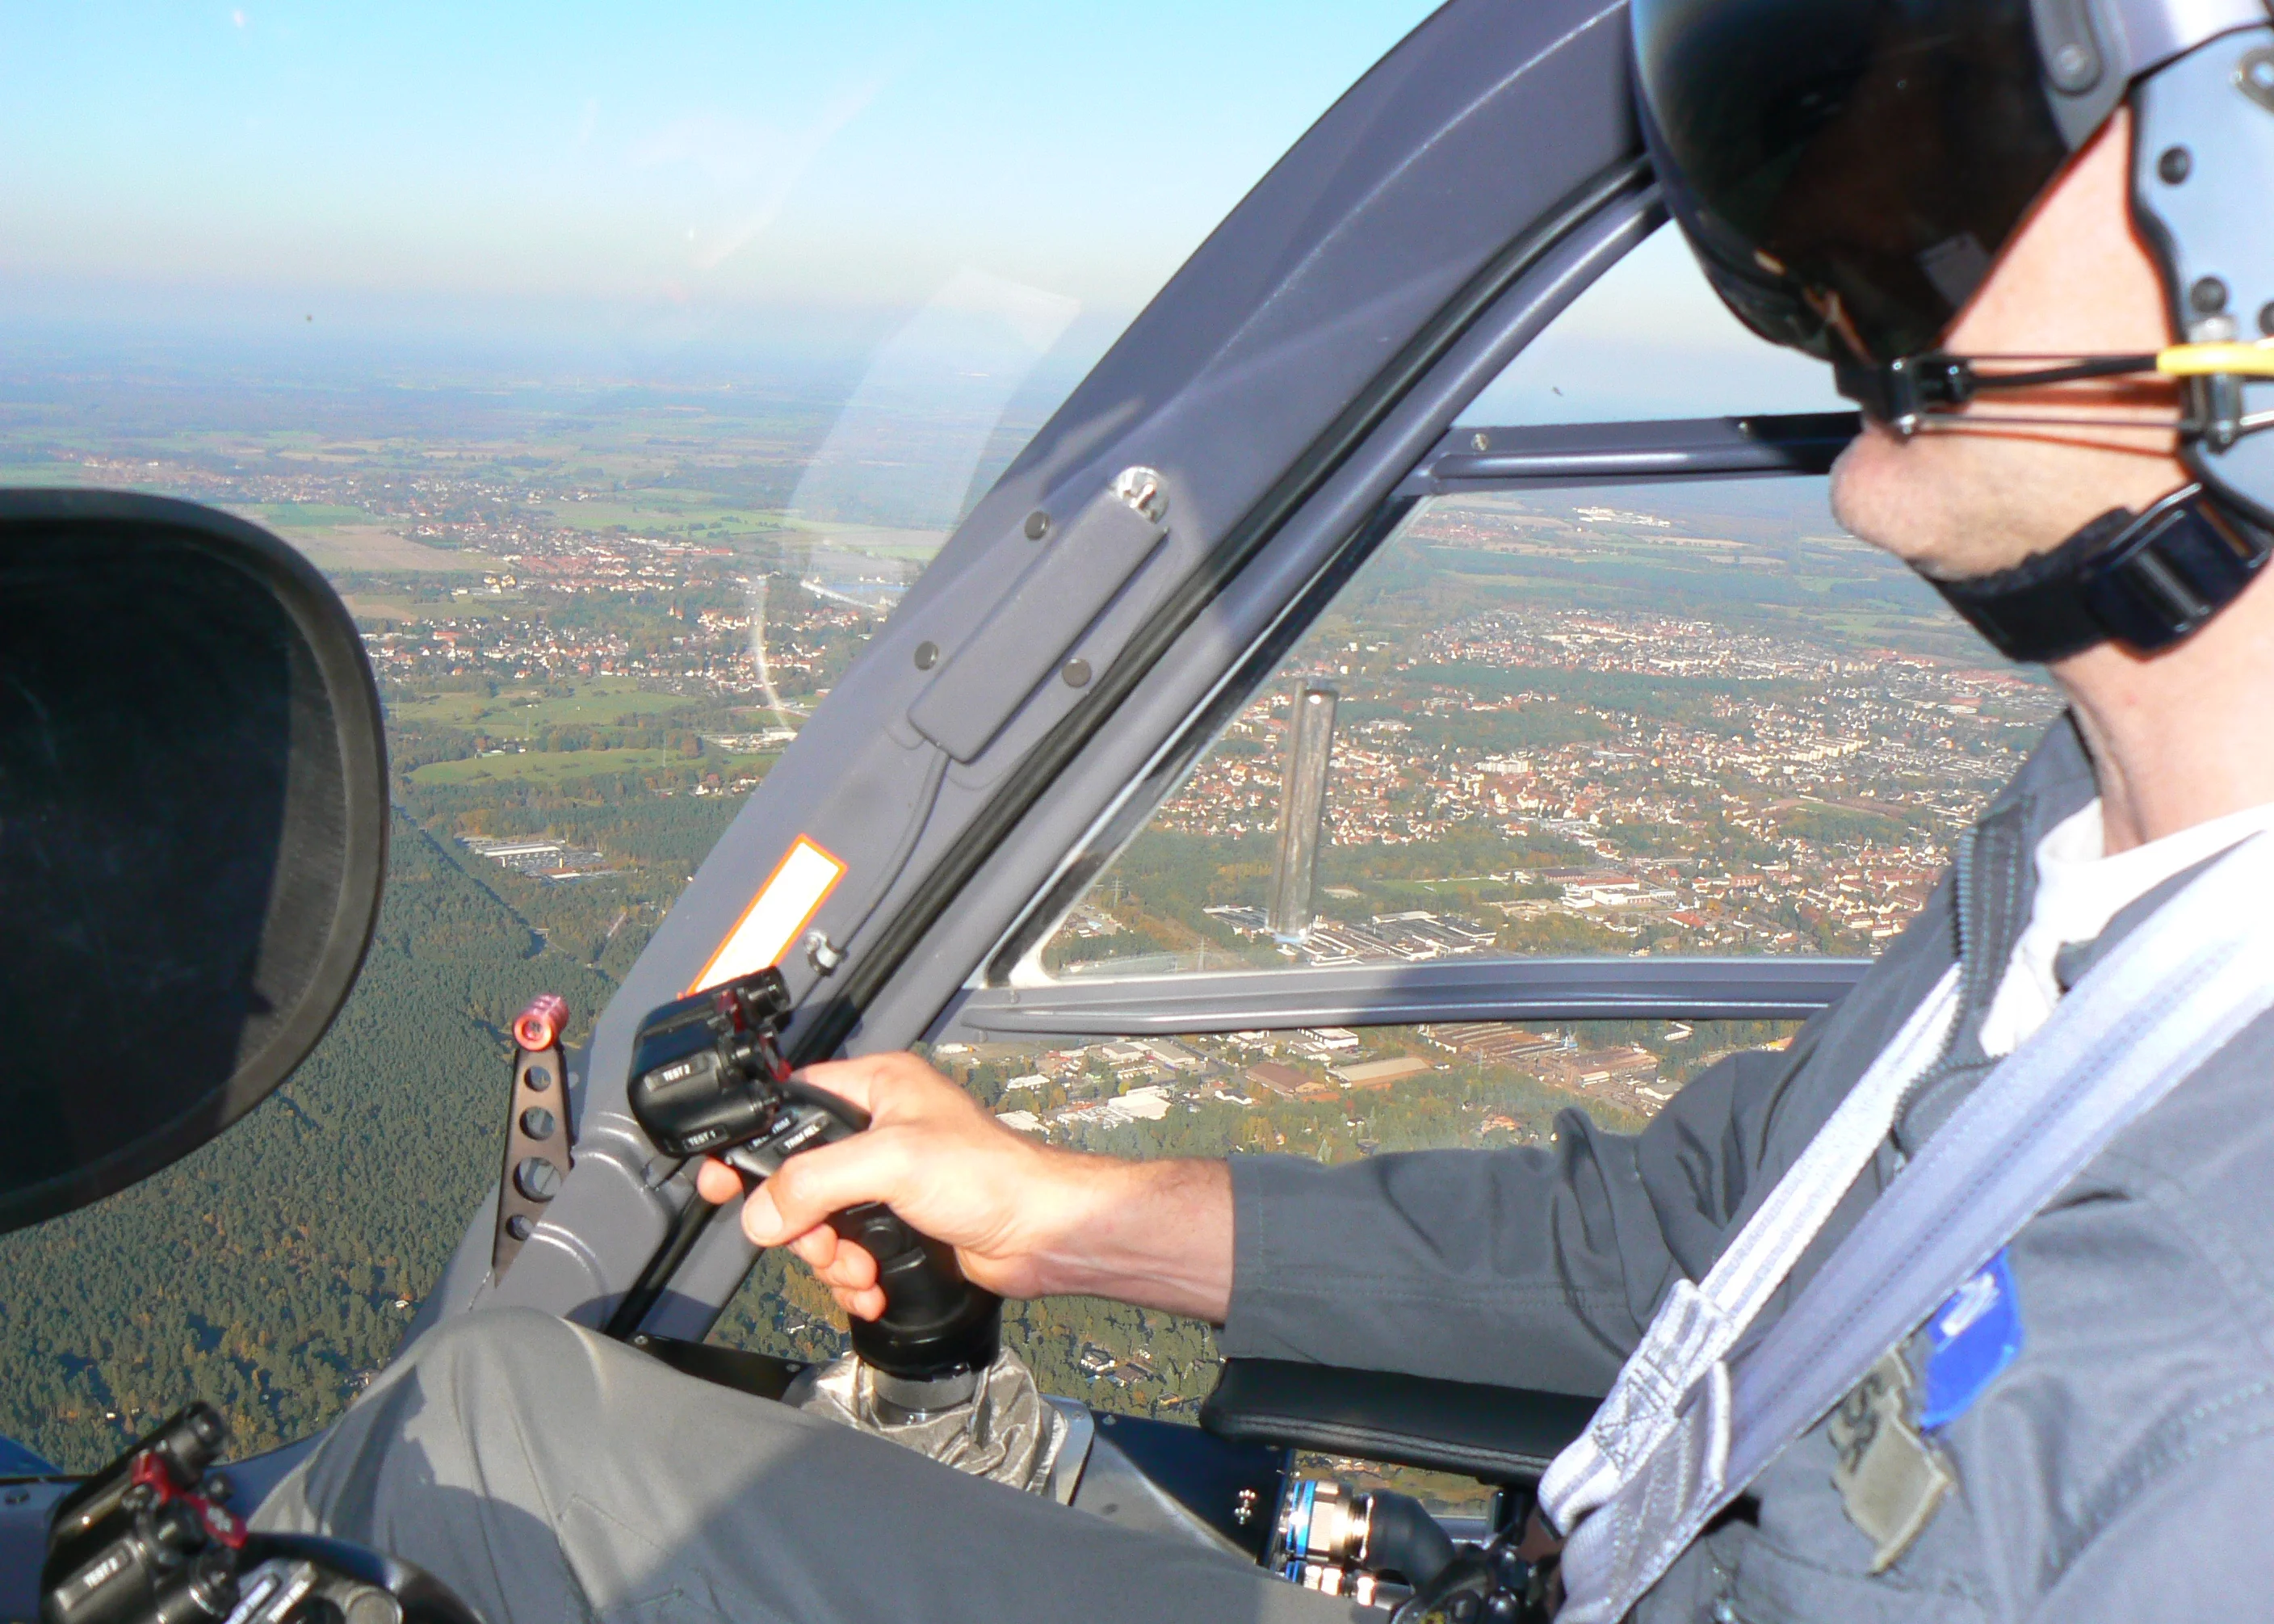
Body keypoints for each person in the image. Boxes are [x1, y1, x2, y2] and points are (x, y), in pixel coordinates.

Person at [256, 2, 2274, 1618]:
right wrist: (1057, 1215)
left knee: (481, 1452)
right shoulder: (2093, 867)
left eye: (1937, 136)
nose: (1804, 231)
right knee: (507, 1398)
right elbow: (1699, 1239)